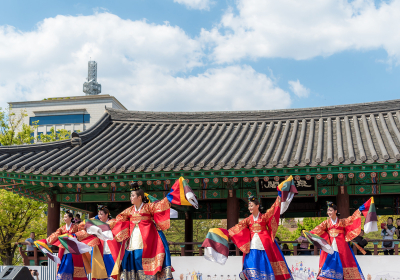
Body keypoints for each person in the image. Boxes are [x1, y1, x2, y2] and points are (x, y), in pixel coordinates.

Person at [113, 179, 197, 280]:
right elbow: (118, 219)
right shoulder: (129, 210)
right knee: (133, 261)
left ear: (139, 197)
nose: (130, 198)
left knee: (147, 263)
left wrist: (173, 193)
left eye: (133, 195)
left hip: (148, 241)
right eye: (130, 195)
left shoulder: (149, 207)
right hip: (133, 242)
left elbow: (162, 205)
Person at [228, 195, 292, 280]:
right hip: (252, 246)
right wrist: (225, 232)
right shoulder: (248, 220)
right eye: (249, 206)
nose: (249, 208)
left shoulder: (264, 217)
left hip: (265, 245)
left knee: (266, 265)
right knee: (251, 264)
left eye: (251, 206)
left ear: (257, 206)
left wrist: (279, 198)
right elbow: (237, 228)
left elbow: (273, 210)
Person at [309, 201, 365, 280]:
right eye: (328, 211)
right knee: (329, 266)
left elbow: (351, 219)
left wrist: (359, 210)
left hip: (342, 248)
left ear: (335, 211)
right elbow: (317, 229)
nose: (329, 212)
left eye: (331, 210)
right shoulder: (326, 223)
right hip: (331, 247)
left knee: (344, 265)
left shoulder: (342, 222)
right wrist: (309, 234)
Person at [76, 205, 121, 280]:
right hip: (100, 250)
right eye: (98, 214)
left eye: (101, 214)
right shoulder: (96, 224)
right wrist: (94, 218)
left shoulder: (113, 222)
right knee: (101, 273)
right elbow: (81, 225)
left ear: (107, 215)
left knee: (112, 273)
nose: (99, 216)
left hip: (110, 249)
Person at [46, 211, 89, 280]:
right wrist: (47, 240)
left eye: (66, 217)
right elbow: (55, 234)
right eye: (64, 217)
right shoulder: (62, 228)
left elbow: (82, 233)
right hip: (64, 251)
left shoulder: (75, 227)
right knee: (64, 266)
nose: (64, 218)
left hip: (74, 250)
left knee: (74, 268)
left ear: (70, 218)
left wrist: (74, 236)